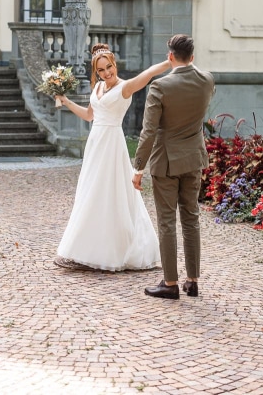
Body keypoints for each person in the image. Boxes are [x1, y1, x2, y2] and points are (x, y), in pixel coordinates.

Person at [54, 43, 171, 271]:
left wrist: (168, 63)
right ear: (96, 72)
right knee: (90, 192)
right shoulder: (97, 87)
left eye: (109, 67)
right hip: (95, 144)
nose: (107, 73)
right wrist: (67, 101)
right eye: (101, 70)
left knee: (111, 194)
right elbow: (89, 115)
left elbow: (146, 75)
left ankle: (114, 251)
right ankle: (84, 248)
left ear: (114, 64)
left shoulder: (124, 87)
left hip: (112, 144)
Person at [133, 33, 215, 300]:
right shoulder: (207, 80)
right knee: (191, 219)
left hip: (166, 161)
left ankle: (170, 283)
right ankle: (192, 281)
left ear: (170, 57)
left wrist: (138, 167)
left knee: (167, 221)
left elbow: (149, 131)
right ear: (192, 56)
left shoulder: (160, 87)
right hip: (193, 159)